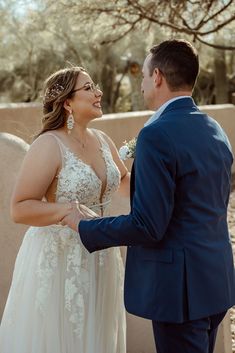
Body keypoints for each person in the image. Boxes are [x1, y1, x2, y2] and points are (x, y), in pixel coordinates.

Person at [62, 39, 235, 353]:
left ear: (157, 77)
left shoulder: (157, 134)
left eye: (142, 75)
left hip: (178, 292)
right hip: (215, 281)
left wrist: (83, 225)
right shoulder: (214, 129)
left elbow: (148, 225)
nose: (141, 83)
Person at [0, 66, 130, 353]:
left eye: (96, 86)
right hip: (59, 258)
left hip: (102, 254)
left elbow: (124, 182)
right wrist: (66, 211)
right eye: (88, 88)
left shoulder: (104, 140)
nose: (99, 92)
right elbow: (19, 209)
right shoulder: (49, 144)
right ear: (67, 103)